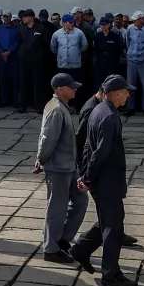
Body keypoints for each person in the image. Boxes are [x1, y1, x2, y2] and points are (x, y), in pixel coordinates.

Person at [70, 76, 135, 286]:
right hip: (107, 181)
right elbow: (100, 152)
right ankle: (110, 274)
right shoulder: (108, 116)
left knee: (108, 220)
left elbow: (89, 147)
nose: (128, 95)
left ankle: (81, 249)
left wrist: (87, 175)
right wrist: (87, 178)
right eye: (126, 91)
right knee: (114, 228)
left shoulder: (98, 110)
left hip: (100, 180)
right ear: (115, 92)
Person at [35, 72, 87, 263]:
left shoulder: (61, 107)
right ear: (59, 89)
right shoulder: (56, 109)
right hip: (58, 168)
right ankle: (50, 249)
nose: (75, 89)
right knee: (56, 208)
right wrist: (41, 159)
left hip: (69, 166)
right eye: (71, 86)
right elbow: (48, 139)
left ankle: (62, 239)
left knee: (81, 201)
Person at [122, 13, 144, 115]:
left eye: (136, 20)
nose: (133, 21)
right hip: (132, 60)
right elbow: (127, 42)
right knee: (130, 84)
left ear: (142, 20)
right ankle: (130, 107)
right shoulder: (130, 29)